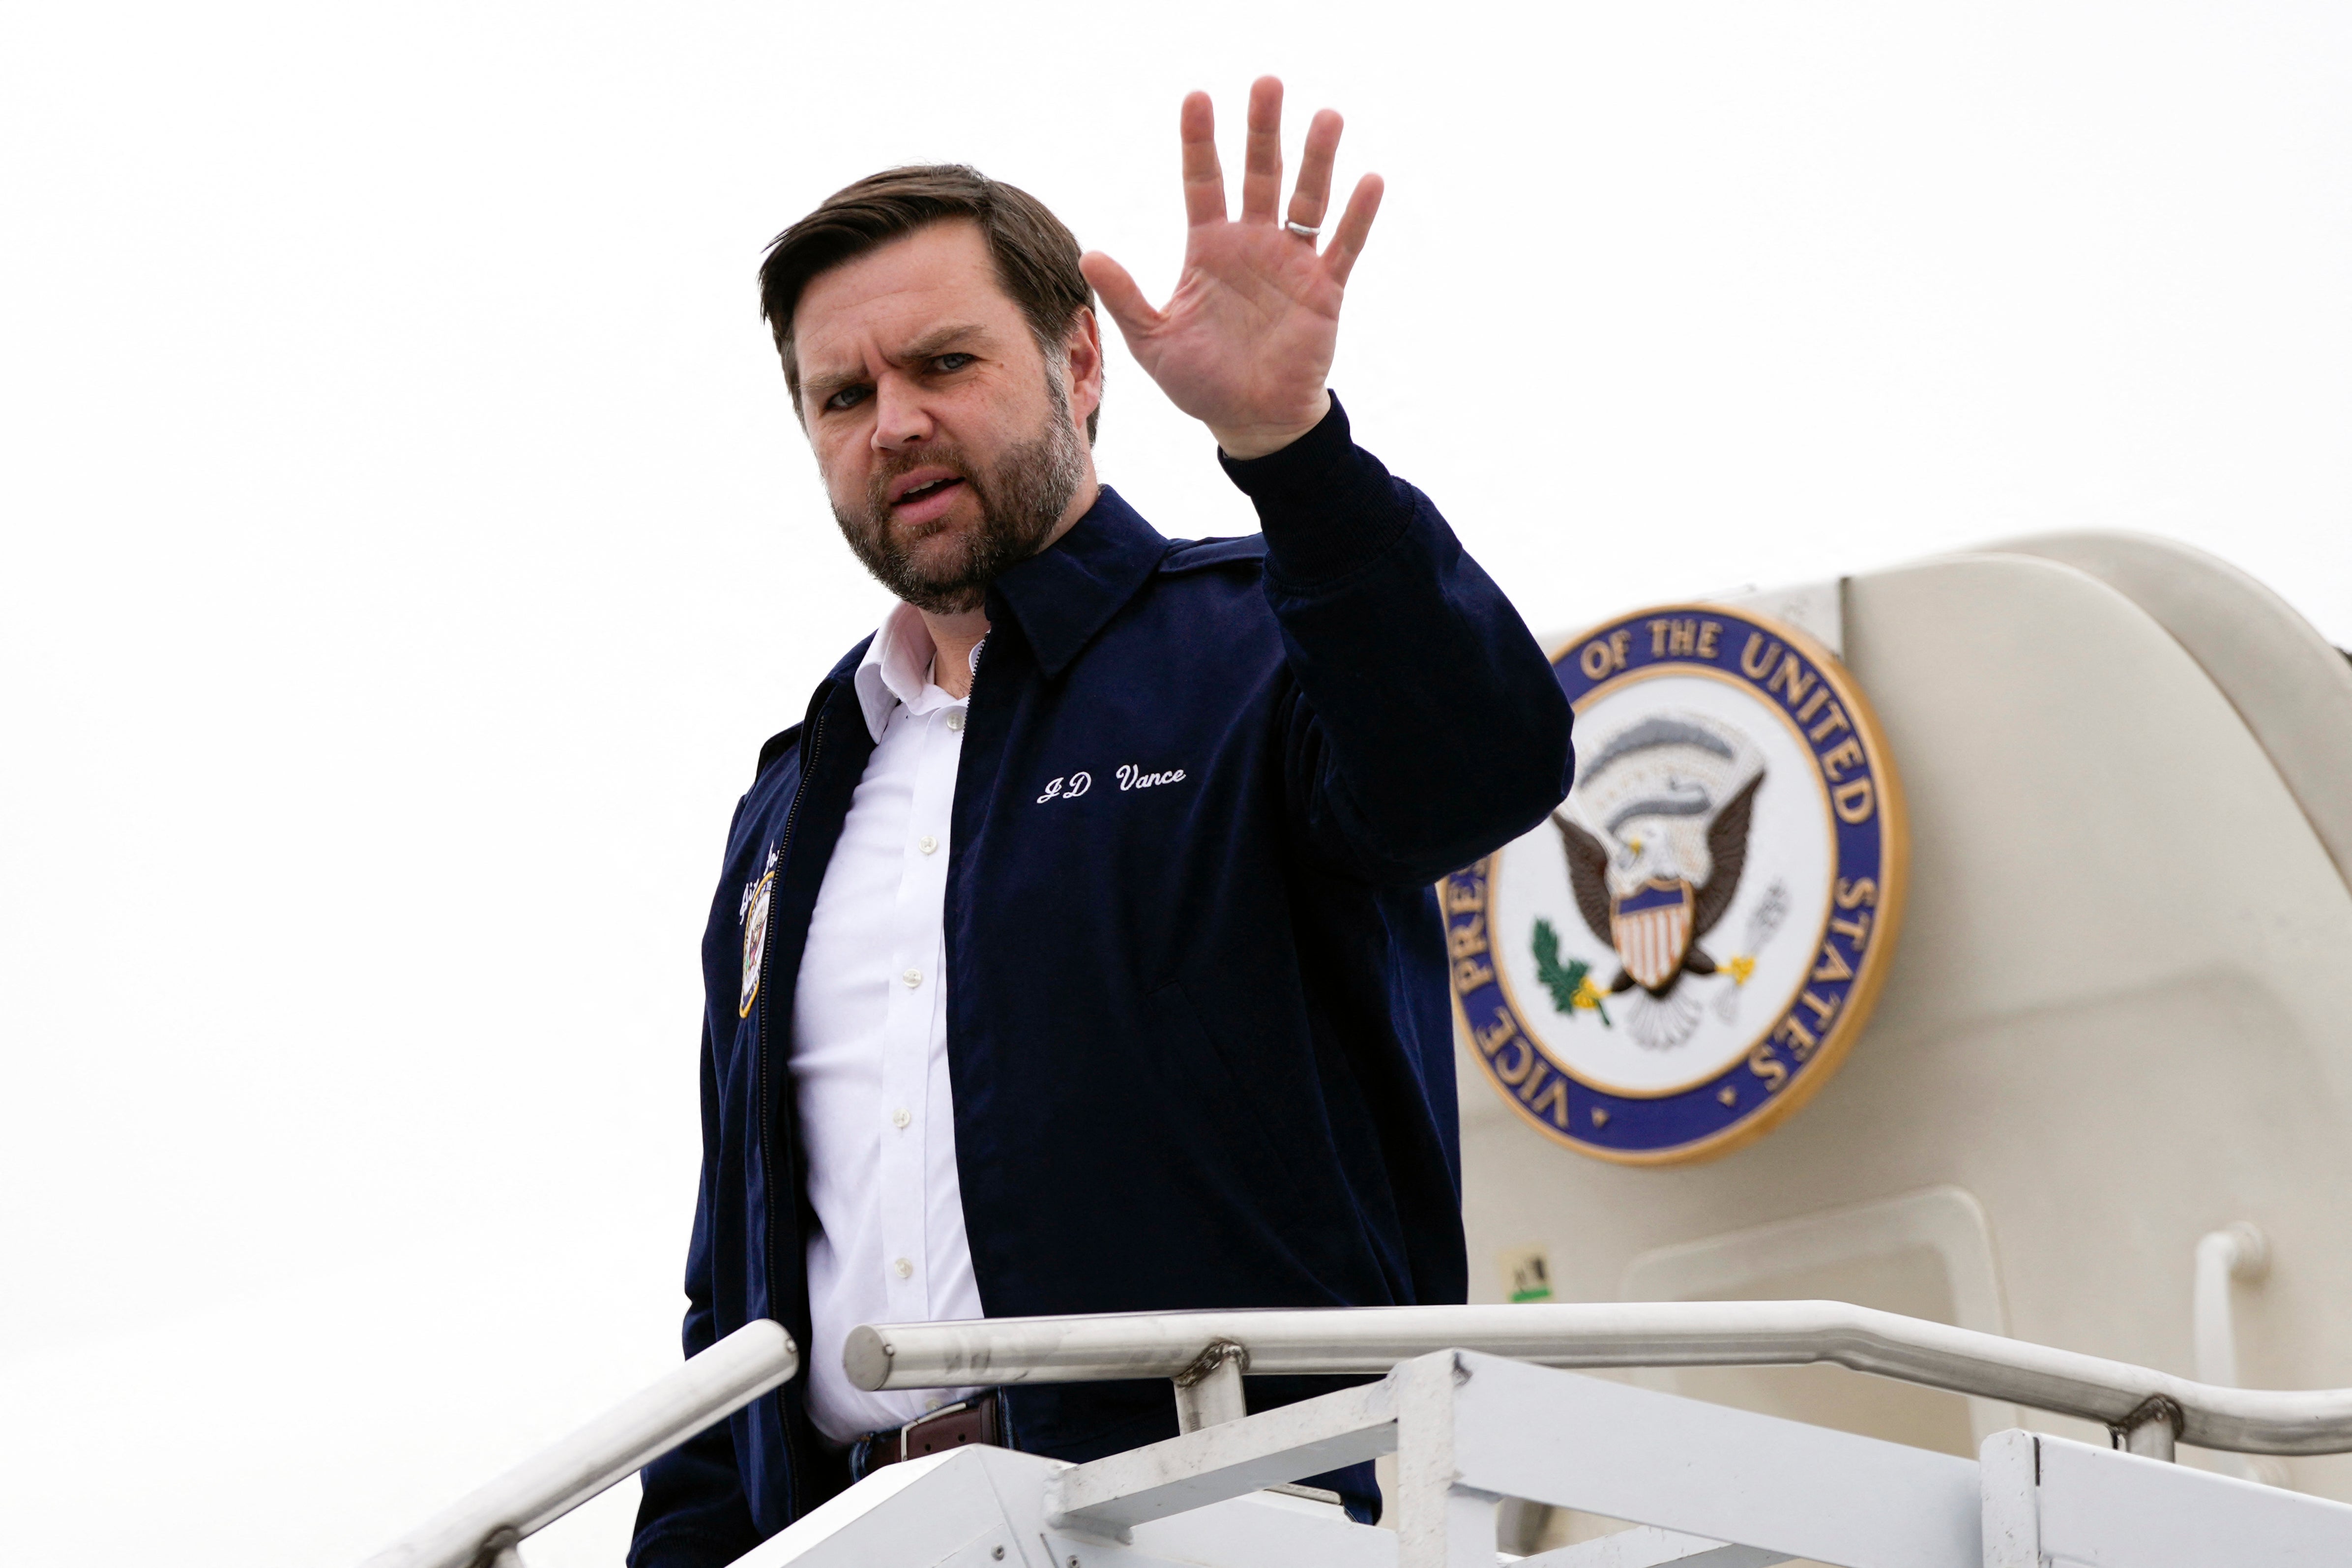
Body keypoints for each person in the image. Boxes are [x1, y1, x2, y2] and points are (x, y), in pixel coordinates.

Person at [628, 76, 1574, 1568]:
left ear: (1080, 362)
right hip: (862, 1540)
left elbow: (1484, 769)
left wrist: (1291, 448)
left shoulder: (1265, 643)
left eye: (946, 361)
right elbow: (734, 1290)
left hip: (1233, 1519)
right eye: (845, 394)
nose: (898, 424)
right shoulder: (791, 802)